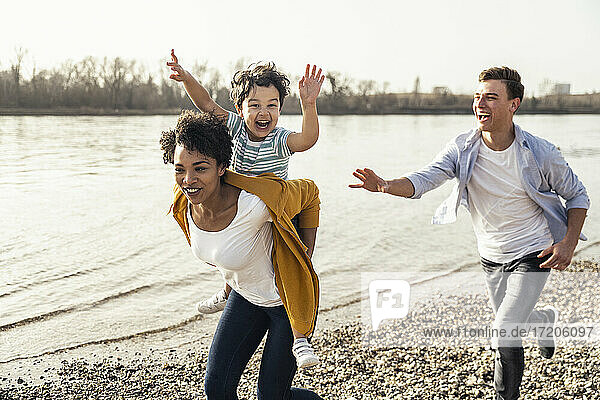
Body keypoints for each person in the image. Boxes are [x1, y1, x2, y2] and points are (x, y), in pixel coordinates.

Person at [349, 66, 589, 399]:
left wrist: (568, 244)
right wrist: (387, 185)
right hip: (490, 254)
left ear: (513, 104)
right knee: (511, 321)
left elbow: (577, 195)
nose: (481, 104)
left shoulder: (539, 152)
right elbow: (426, 178)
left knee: (504, 331)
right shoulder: (462, 148)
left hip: (534, 250)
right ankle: (541, 319)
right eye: (478, 97)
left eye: (492, 97)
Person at [167, 51, 324, 367]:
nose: (263, 112)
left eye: (272, 105)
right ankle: (228, 291)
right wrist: (186, 78)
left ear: (280, 108)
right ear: (240, 108)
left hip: (276, 211)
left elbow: (308, 139)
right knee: (232, 247)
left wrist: (309, 104)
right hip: (243, 206)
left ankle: (300, 337)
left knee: (286, 270)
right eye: (254, 105)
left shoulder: (280, 139)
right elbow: (206, 105)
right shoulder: (235, 129)